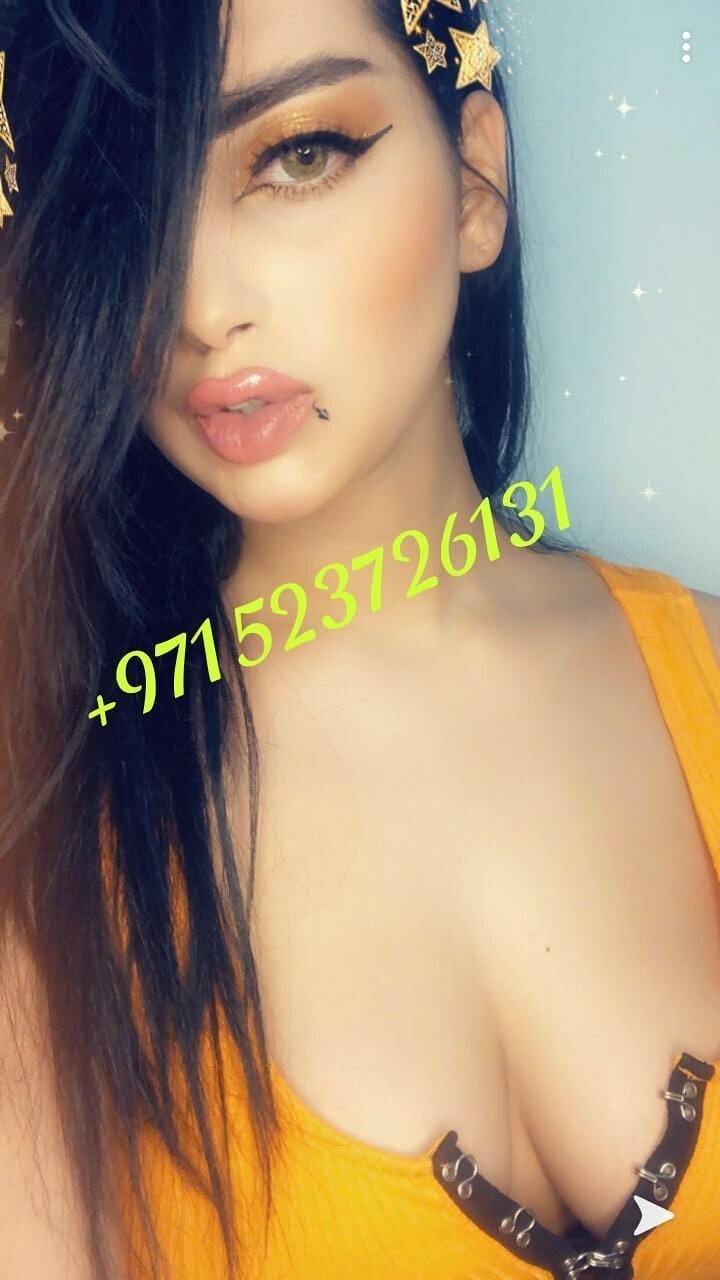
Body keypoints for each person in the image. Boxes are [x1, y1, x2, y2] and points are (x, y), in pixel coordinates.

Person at [1, 2, 719, 1278]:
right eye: (128, 208)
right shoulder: (50, 844)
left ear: (477, 181)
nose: (200, 303)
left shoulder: (706, 671)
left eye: (298, 155)